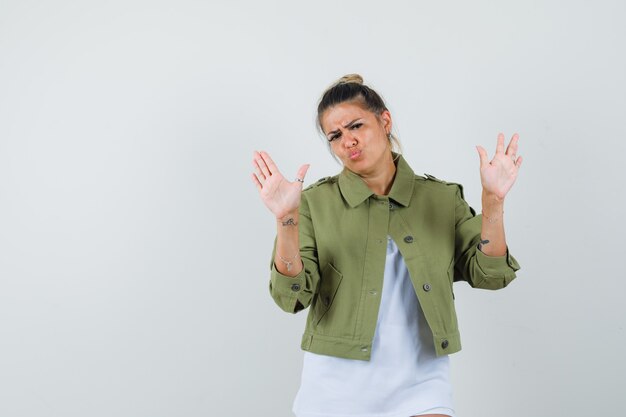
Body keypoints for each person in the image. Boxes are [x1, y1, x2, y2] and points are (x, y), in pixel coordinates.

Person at [251, 74, 522, 417]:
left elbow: (491, 274)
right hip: (336, 383)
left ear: (384, 120)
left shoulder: (441, 199)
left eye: (356, 126)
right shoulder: (314, 204)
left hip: (422, 377)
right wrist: (286, 219)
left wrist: (493, 200)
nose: (347, 141)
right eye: (335, 135)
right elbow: (291, 296)